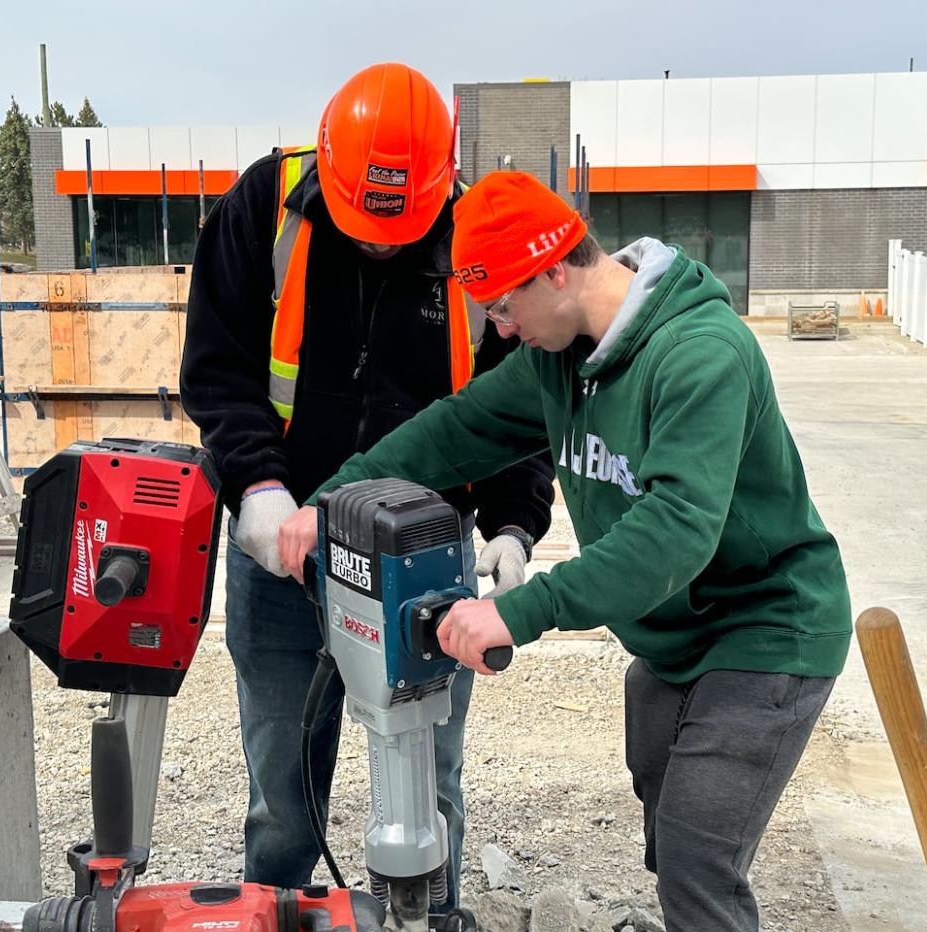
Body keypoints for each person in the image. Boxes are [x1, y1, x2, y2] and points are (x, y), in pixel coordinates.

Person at [288, 171, 853, 932]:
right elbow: (457, 430)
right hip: (672, 638)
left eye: (503, 305)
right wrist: (330, 501)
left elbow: (677, 528)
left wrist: (520, 611)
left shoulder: (700, 353)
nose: (504, 330)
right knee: (665, 819)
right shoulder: (562, 358)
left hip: (766, 629)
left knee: (697, 862)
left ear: (555, 267)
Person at [179, 66, 554, 905]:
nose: (382, 243)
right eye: (365, 226)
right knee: (283, 786)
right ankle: (275, 907)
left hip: (422, 559)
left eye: (401, 227)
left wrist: (512, 525)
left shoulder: (472, 236)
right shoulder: (261, 210)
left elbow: (520, 402)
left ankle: (432, 916)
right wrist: (260, 488)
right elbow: (216, 371)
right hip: (287, 553)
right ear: (328, 166)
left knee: (426, 775)